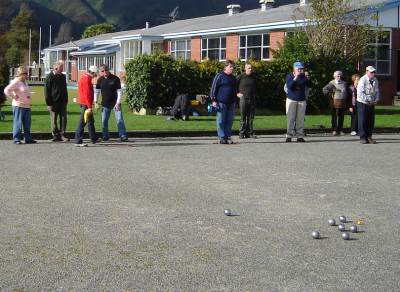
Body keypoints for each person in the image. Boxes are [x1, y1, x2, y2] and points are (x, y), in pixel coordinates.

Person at [4, 66, 36, 145]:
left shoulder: (24, 82)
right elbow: (6, 90)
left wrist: (29, 95)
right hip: (18, 105)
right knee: (18, 123)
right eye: (25, 73)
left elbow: (24, 92)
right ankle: (17, 139)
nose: (27, 75)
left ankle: (28, 138)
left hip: (27, 106)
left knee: (27, 123)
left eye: (27, 73)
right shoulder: (16, 82)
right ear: (20, 74)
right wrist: (14, 97)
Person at [94, 64, 128, 141]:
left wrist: (118, 103)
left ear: (109, 70)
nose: (105, 72)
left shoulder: (115, 79)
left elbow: (119, 92)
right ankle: (105, 135)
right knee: (104, 121)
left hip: (115, 104)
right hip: (105, 104)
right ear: (100, 72)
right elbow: (96, 92)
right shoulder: (100, 80)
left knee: (119, 120)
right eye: (102, 71)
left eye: (106, 70)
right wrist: (95, 102)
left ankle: (122, 135)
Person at [210, 60, 237, 144]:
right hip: (221, 102)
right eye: (230, 67)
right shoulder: (219, 76)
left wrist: (236, 99)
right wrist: (214, 100)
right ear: (225, 67)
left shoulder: (233, 78)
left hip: (231, 102)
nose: (232, 68)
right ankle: (222, 137)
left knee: (229, 120)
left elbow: (235, 90)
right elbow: (213, 89)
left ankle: (227, 136)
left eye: (233, 67)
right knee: (221, 120)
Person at [285, 61, 310, 142]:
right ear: (294, 68)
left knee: (300, 119)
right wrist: (295, 78)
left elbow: (309, 85)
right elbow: (290, 86)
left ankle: (300, 136)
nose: (300, 70)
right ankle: (289, 136)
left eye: (301, 68)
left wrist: (308, 79)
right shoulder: (289, 76)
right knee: (290, 118)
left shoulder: (303, 76)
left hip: (302, 100)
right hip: (291, 99)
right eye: (298, 68)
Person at [45, 61, 69, 142]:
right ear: (55, 68)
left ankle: (62, 134)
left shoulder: (62, 76)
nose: (62, 69)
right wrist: (49, 104)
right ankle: (55, 135)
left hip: (63, 102)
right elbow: (47, 91)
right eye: (61, 68)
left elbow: (65, 89)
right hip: (53, 102)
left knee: (63, 118)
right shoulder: (49, 77)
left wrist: (66, 99)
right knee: (53, 119)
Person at [74, 65, 98, 146]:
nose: (95, 76)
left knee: (90, 121)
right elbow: (87, 94)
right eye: (95, 74)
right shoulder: (87, 79)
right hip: (85, 103)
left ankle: (93, 138)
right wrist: (89, 106)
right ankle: (78, 140)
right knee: (83, 121)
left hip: (84, 102)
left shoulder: (84, 76)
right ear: (93, 72)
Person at [357, 66, 380, 144]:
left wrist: (376, 100)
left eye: (374, 72)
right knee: (362, 120)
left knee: (371, 120)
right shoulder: (362, 80)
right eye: (371, 72)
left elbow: (377, 91)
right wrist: (368, 100)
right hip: (362, 102)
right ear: (366, 72)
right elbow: (360, 93)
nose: (373, 73)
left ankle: (369, 137)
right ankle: (363, 137)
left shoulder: (375, 80)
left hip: (371, 103)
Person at [322, 71, 349, 136]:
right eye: (337, 76)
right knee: (334, 117)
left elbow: (347, 92)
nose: (339, 77)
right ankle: (334, 130)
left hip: (342, 102)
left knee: (341, 117)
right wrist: (331, 93)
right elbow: (324, 89)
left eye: (340, 76)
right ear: (334, 76)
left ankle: (340, 130)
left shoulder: (344, 83)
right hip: (334, 103)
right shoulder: (332, 83)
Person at [237, 63, 256, 139]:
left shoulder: (254, 77)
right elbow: (234, 85)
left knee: (250, 117)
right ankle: (241, 133)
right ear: (245, 69)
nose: (250, 69)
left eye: (251, 68)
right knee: (243, 117)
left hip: (252, 99)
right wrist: (237, 93)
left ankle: (249, 133)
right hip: (243, 99)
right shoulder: (241, 77)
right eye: (248, 68)